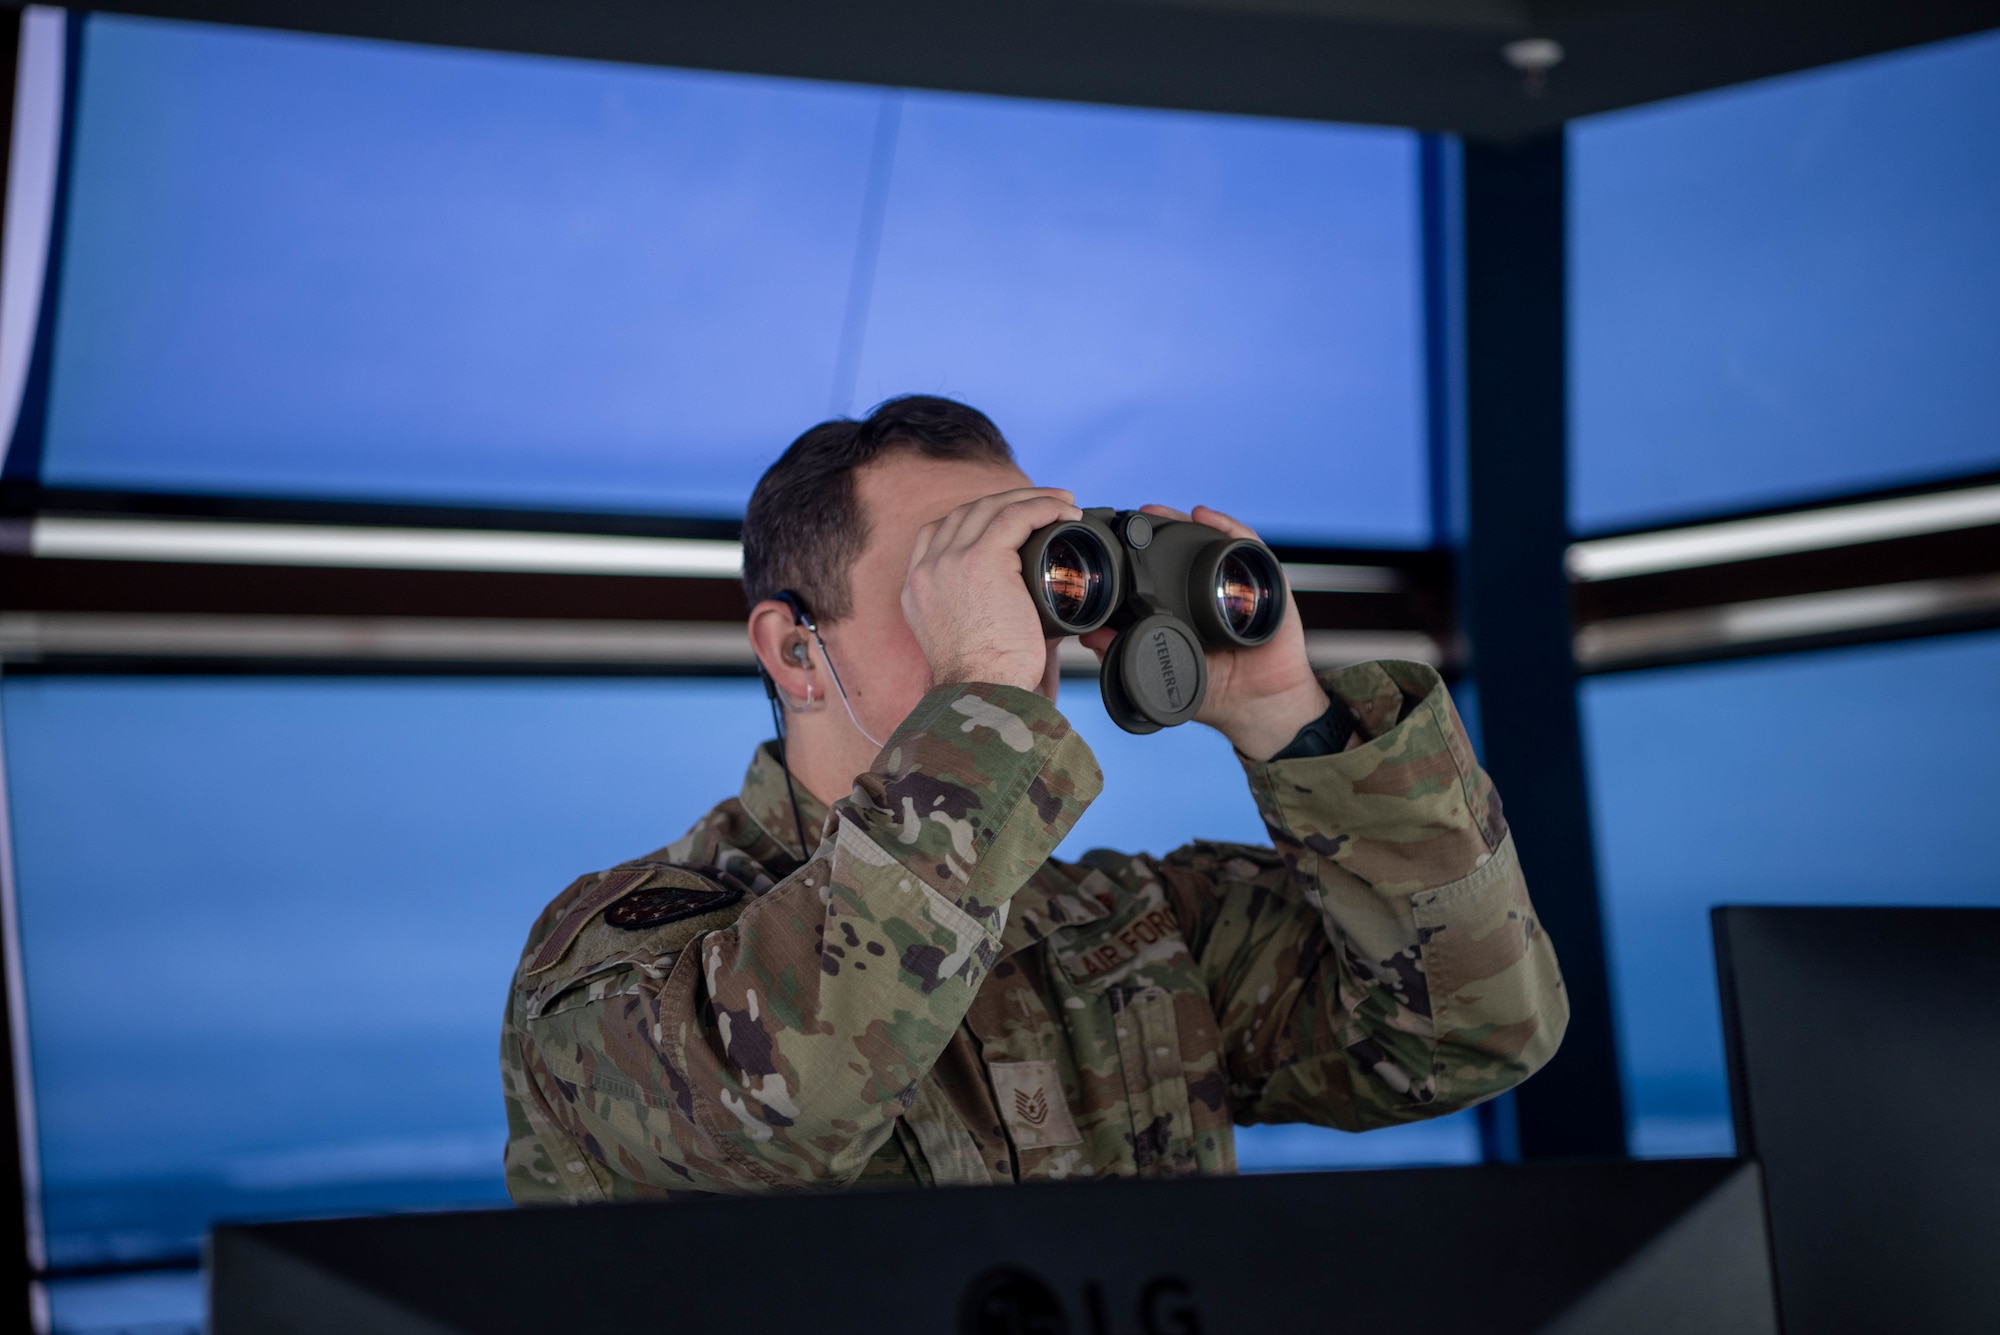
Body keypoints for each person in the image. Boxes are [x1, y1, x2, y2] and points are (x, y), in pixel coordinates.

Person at [500, 396, 1567, 1198]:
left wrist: (1286, 714)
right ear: (795, 649)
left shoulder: (1136, 931)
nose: (1020, 626)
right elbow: (773, 1117)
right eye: (953, 582)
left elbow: (1472, 1032)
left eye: (1025, 576)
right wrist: (983, 700)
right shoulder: (622, 956)